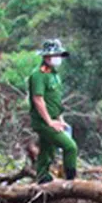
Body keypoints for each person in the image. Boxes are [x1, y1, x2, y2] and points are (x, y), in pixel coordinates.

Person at [29, 39, 77, 184]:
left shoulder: (54, 75)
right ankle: (71, 181)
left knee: (46, 149)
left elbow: (55, 101)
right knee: (70, 147)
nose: (58, 58)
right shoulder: (38, 75)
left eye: (59, 55)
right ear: (46, 57)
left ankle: (42, 178)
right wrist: (49, 122)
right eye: (55, 55)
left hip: (54, 119)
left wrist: (60, 119)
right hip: (43, 121)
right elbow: (38, 99)